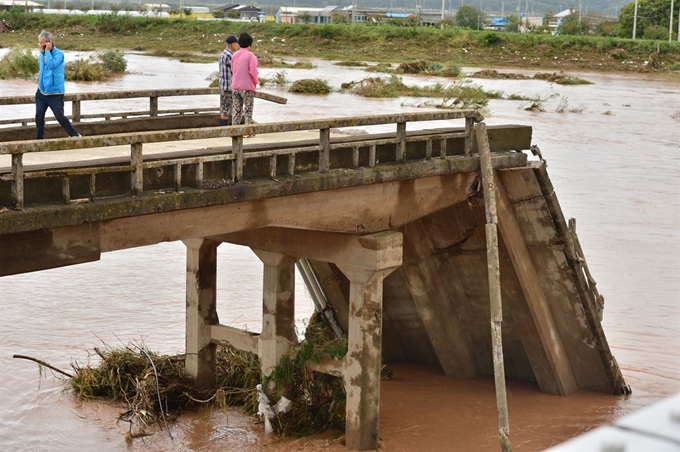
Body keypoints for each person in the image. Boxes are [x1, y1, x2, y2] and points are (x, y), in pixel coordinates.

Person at [35, 30, 80, 139]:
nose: (40, 45)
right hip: (41, 92)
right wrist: (39, 87)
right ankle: (39, 140)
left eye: (42, 43)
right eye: (39, 43)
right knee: (39, 116)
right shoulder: (41, 55)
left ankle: (74, 135)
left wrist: (48, 51)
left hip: (55, 92)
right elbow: (42, 71)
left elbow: (51, 65)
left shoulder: (59, 54)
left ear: (48, 42)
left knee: (60, 116)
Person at [231, 32, 258, 135]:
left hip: (235, 86)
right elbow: (253, 72)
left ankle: (235, 131)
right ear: (250, 44)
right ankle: (248, 132)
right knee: (248, 110)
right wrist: (255, 82)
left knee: (236, 110)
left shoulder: (234, 55)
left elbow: (233, 69)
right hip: (247, 87)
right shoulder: (251, 56)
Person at [218, 35, 239, 126]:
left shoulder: (222, 54)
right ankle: (225, 131)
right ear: (232, 44)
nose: (237, 46)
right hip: (229, 87)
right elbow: (235, 70)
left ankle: (222, 129)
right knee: (227, 111)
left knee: (223, 109)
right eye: (236, 44)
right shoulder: (231, 55)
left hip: (223, 85)